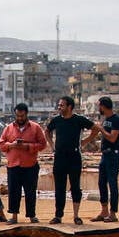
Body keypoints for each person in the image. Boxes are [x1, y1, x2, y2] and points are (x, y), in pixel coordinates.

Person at [45, 96, 93, 224]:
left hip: (74, 157)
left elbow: (95, 129)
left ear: (69, 107)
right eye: (59, 105)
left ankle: (76, 216)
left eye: (62, 105)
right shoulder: (56, 120)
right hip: (59, 157)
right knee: (59, 188)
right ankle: (58, 215)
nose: (59, 107)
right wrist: (52, 146)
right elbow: (47, 131)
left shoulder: (78, 120)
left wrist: (84, 142)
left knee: (75, 187)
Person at [0, 103, 47, 224]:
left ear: (26, 114)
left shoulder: (35, 128)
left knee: (30, 192)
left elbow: (43, 144)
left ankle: (31, 215)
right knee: (14, 191)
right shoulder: (8, 128)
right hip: (13, 165)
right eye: (18, 116)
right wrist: (11, 145)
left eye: (22, 116)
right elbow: (1, 144)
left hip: (30, 165)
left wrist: (28, 146)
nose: (20, 118)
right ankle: (14, 216)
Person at [88, 96, 119, 222]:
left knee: (112, 183)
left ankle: (113, 213)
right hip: (105, 154)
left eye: (99, 106)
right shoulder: (105, 119)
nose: (98, 108)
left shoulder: (116, 120)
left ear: (103, 106)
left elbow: (113, 138)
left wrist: (101, 129)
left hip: (113, 155)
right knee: (101, 182)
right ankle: (104, 211)